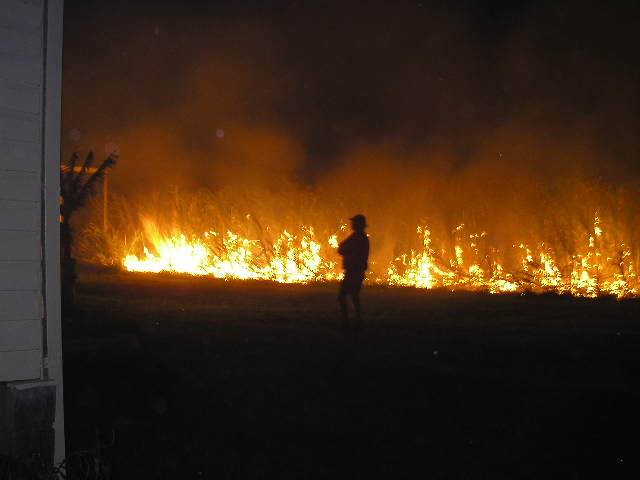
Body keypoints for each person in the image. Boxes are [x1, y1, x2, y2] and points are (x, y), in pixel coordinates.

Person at [337, 214, 369, 329]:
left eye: (354, 222)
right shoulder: (358, 237)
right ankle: (356, 321)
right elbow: (341, 248)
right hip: (355, 271)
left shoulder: (358, 238)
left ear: (359, 225)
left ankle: (348, 322)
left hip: (354, 271)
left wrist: (347, 252)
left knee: (343, 296)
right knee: (353, 296)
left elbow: (342, 248)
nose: (352, 224)